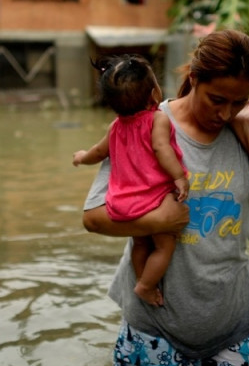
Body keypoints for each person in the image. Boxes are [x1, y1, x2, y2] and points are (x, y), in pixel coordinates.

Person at [81, 29, 249, 366]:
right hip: (157, 324)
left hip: (233, 320)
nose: (225, 112)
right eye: (217, 99)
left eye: (238, 101)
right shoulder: (147, 122)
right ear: (194, 79)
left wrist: (246, 128)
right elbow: (94, 216)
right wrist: (159, 222)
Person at [73, 55, 189, 307]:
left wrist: (82, 157)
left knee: (140, 243)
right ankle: (146, 285)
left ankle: (140, 279)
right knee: (164, 245)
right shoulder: (157, 119)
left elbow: (98, 152)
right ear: (154, 94)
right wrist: (179, 176)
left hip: (122, 202)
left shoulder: (115, 127)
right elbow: (161, 148)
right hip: (152, 200)